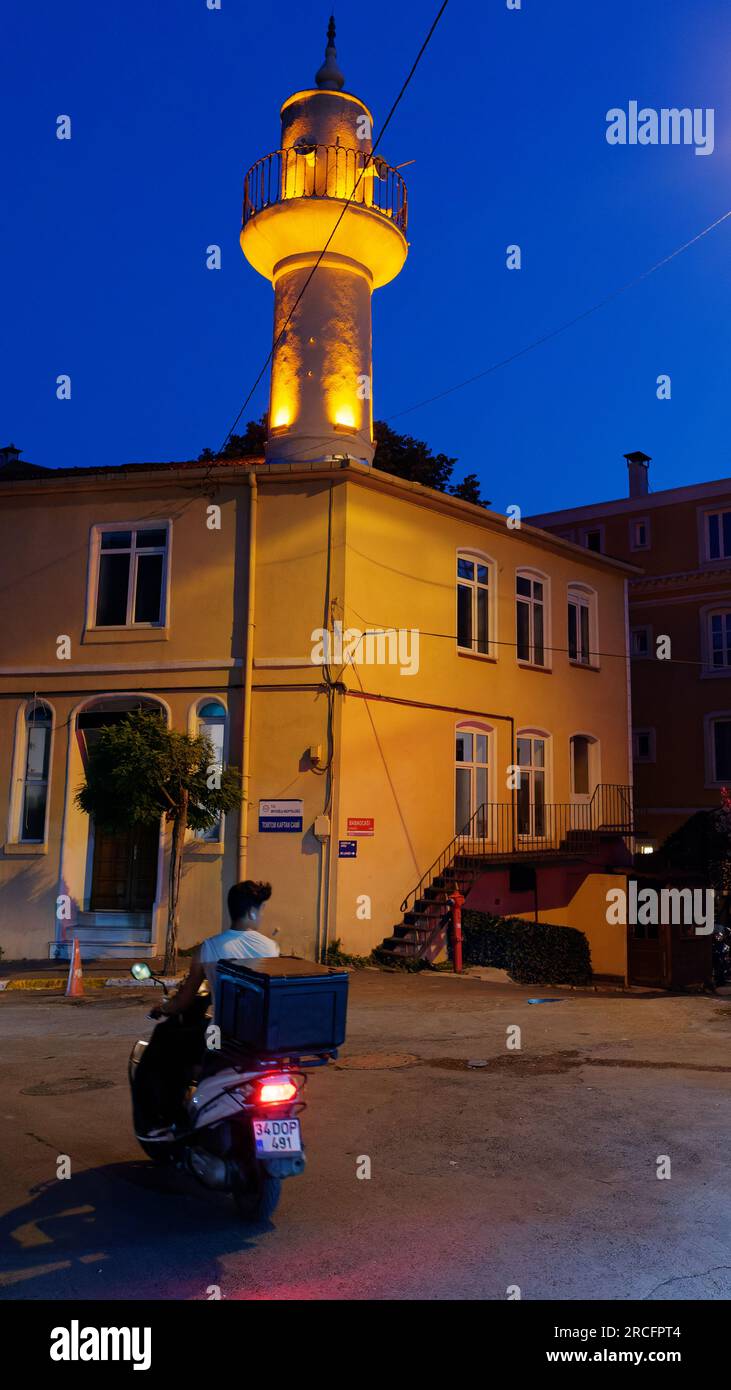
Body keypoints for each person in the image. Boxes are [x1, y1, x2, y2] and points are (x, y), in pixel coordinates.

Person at [134, 881, 279, 1137]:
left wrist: (164, 1007)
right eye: (261, 910)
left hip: (223, 1037)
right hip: (261, 1037)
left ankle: (163, 1120)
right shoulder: (271, 948)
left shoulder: (209, 948)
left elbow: (185, 1000)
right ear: (253, 912)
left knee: (164, 1040)